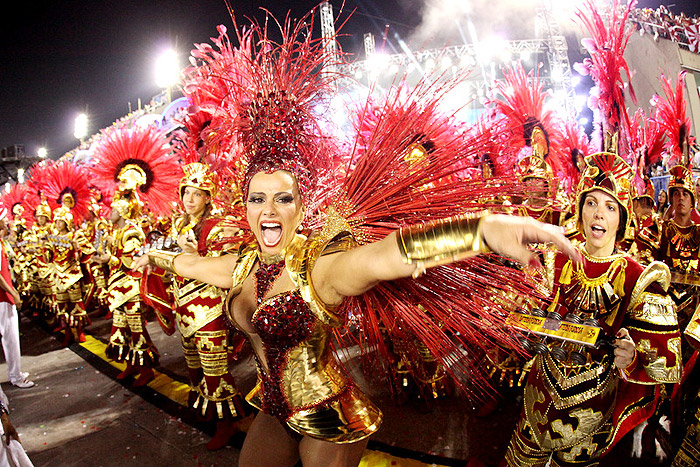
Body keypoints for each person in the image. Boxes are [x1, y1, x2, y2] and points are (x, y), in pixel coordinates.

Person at [504, 152, 682, 466]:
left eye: (610, 207)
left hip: (593, 413)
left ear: (622, 220)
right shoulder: (552, 258)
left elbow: (663, 367)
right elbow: (522, 309)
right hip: (538, 399)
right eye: (591, 203)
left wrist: (631, 356)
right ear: (580, 210)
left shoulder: (640, 278)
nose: (598, 214)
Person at [0, 211, 33, 389]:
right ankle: (16, 376)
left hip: (3, 297)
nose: (7, 222)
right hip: (2, 298)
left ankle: (17, 372)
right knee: (10, 338)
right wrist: (13, 293)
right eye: (3, 219)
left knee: (10, 337)